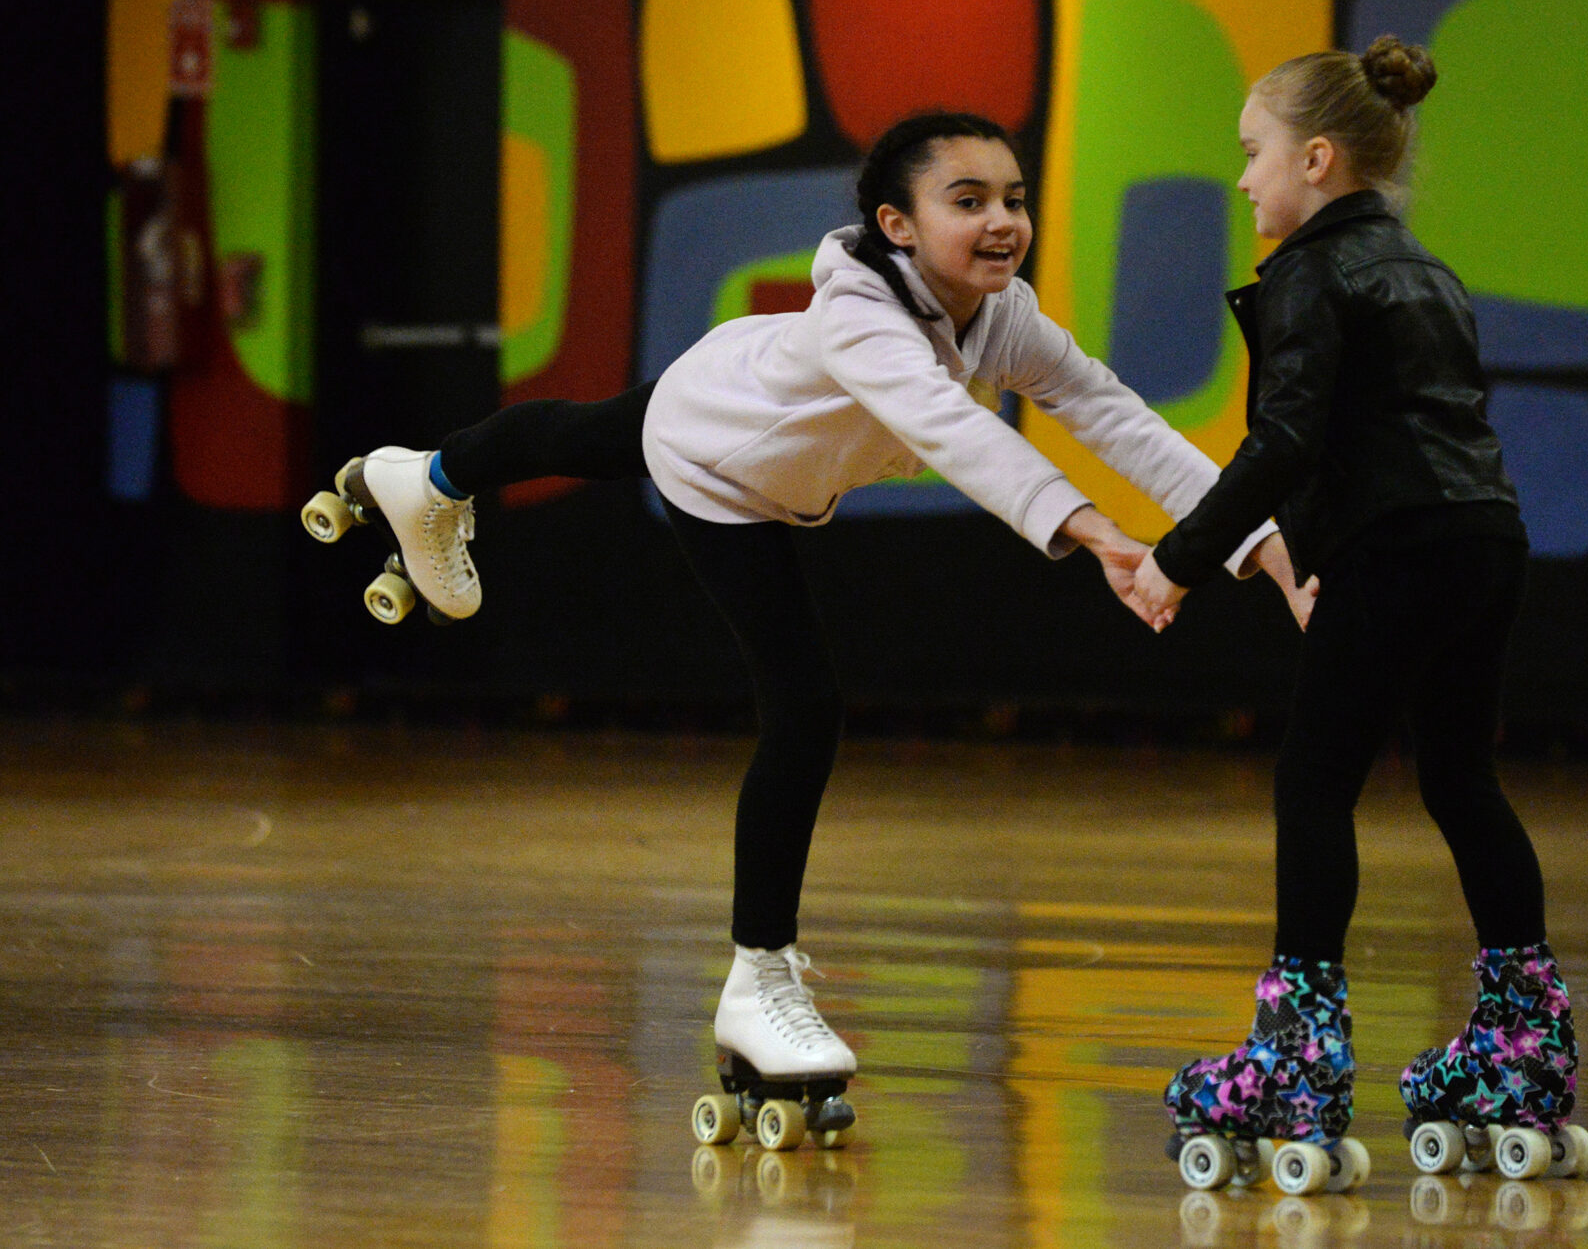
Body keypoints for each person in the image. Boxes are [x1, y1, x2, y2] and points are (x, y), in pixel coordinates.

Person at [310, 112, 1310, 1147]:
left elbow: (1112, 413)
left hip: (736, 385)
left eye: (1011, 197)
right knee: (803, 703)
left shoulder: (996, 312)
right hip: (721, 467)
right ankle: (757, 976)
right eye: (966, 201)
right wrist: (1098, 535)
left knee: (584, 428)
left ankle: (420, 474)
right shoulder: (863, 319)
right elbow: (952, 430)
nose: (1002, 220)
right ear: (898, 223)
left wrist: (1265, 541)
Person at [1131, 41, 1586, 1187]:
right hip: (1485, 534)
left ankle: (1294, 1061)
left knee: (1314, 780)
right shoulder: (1424, 268)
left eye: (1252, 154)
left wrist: (1176, 556)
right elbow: (1397, 426)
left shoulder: (1308, 272)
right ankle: (1521, 1050)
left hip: (1400, 546)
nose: (1242, 180)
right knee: (1458, 780)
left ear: (1315, 159)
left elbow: (1286, 440)